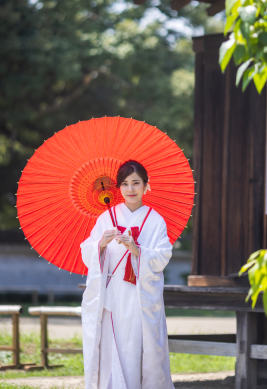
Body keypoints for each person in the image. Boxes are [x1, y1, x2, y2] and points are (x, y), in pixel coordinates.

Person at [80, 160, 174, 389]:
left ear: (146, 186)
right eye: (125, 184)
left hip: (139, 295)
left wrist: (137, 249)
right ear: (118, 188)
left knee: (136, 346)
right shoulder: (106, 218)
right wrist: (100, 244)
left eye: (136, 183)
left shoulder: (155, 220)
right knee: (110, 347)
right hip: (112, 295)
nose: (130, 189)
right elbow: (87, 251)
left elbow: (163, 256)